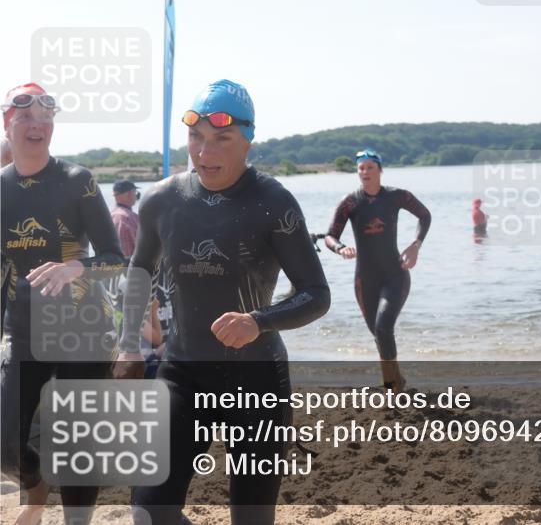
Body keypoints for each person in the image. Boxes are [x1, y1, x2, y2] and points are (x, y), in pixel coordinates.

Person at [115, 79, 331, 525]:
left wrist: (258, 320)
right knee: (148, 511)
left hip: (257, 380)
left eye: (221, 139)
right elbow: (139, 271)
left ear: (247, 141)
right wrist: (127, 345)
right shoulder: (161, 200)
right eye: (196, 137)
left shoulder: (272, 202)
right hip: (182, 372)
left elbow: (316, 293)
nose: (203, 151)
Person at [0, 83, 125, 525]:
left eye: (45, 117)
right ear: (7, 124)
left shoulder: (78, 181)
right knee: (5, 443)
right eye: (26, 117)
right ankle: (35, 490)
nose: (37, 125)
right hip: (26, 329)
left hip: (84, 327)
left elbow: (115, 259)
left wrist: (77, 268)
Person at [324, 148, 431, 391]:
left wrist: (415, 246)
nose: (365, 172)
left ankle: (391, 387)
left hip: (395, 274)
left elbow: (425, 216)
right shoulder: (350, 202)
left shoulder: (397, 197)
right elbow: (330, 236)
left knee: (383, 327)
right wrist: (341, 248)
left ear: (380, 170)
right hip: (365, 279)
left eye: (370, 167)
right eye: (361, 168)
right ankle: (397, 380)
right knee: (378, 333)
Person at [110, 180, 140, 259]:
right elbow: (141, 248)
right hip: (131, 267)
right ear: (130, 193)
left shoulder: (109, 216)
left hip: (113, 267)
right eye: (135, 192)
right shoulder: (129, 217)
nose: (136, 196)